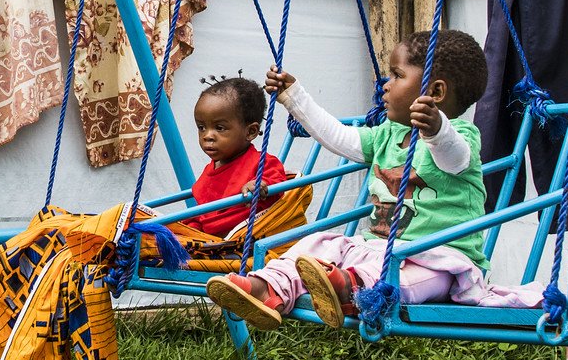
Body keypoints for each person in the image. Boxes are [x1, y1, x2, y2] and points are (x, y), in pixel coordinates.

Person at [206, 29, 538, 330]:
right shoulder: (386, 134)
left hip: (442, 259)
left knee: (419, 280)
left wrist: (436, 130)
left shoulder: (462, 135)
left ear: (435, 91)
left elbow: (454, 159)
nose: (386, 84)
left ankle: (350, 289)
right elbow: (338, 136)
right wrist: (295, 97)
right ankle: (265, 288)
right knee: (318, 243)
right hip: (377, 248)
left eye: (396, 75)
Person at [182, 76, 291, 237]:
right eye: (201, 127)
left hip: (243, 239)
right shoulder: (209, 169)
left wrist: (260, 184)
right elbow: (202, 216)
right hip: (209, 239)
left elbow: (278, 185)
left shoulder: (261, 162)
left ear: (250, 132)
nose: (207, 136)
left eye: (219, 128)